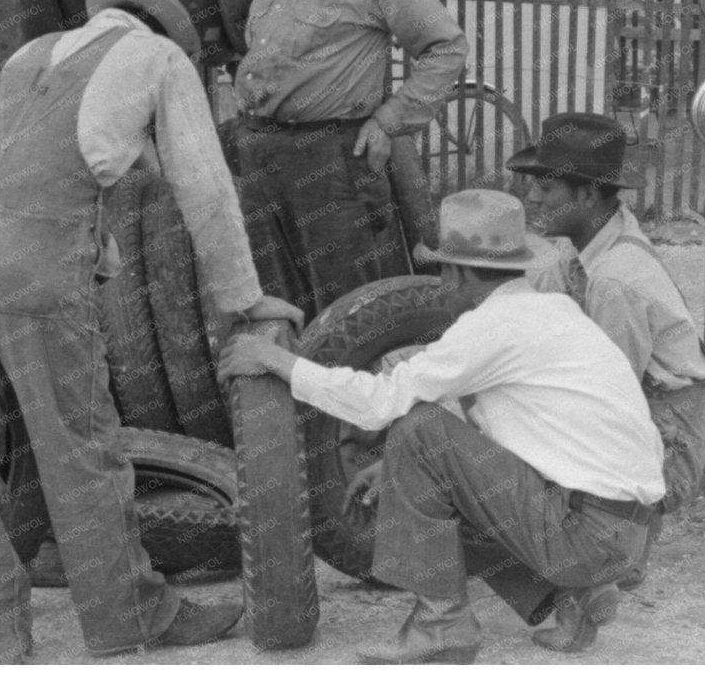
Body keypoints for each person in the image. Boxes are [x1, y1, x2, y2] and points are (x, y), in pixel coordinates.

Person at [0, 0, 303, 663]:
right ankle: (131, 616)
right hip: (29, 264)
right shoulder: (159, 59)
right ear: (169, 37)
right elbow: (204, 185)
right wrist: (242, 298)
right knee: (80, 443)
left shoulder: (33, 51)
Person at [218, 188, 664, 663]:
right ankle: (574, 596)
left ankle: (441, 624)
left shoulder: (491, 326)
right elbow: (529, 436)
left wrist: (276, 360)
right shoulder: (552, 310)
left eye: (442, 272)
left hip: (586, 535)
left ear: (457, 272)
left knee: (417, 426)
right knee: (424, 448)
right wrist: (398, 468)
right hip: (624, 531)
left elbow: (382, 402)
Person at [213, 0, 467, 318]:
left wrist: (391, 119)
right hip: (259, 157)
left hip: (332, 165)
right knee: (274, 301)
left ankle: (362, 393)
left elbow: (446, 48)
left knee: (351, 308)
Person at [514, 113, 705, 523]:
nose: (532, 197)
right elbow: (532, 315)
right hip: (640, 423)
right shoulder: (590, 241)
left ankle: (612, 542)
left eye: (545, 186)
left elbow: (607, 403)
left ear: (588, 195)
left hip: (666, 449)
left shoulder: (613, 279)